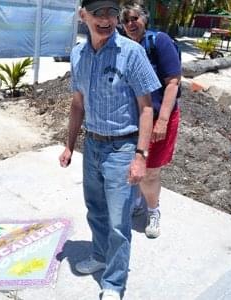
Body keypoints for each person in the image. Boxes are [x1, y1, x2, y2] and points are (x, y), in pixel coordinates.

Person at [58, 0, 161, 299]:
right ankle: (101, 255)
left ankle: (114, 283)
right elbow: (78, 103)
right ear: (83, 16)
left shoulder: (132, 52)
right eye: (97, 13)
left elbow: (146, 109)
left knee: (119, 222)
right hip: (92, 145)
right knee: (96, 210)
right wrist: (69, 145)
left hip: (123, 147)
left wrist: (140, 157)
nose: (106, 19)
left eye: (111, 13)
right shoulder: (78, 54)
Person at [120, 3, 182, 239]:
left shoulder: (160, 41)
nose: (130, 23)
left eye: (134, 18)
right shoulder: (123, 46)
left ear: (144, 19)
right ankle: (138, 200)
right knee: (134, 166)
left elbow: (173, 83)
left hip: (159, 117)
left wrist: (163, 120)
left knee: (150, 172)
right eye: (125, 20)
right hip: (133, 119)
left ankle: (152, 210)